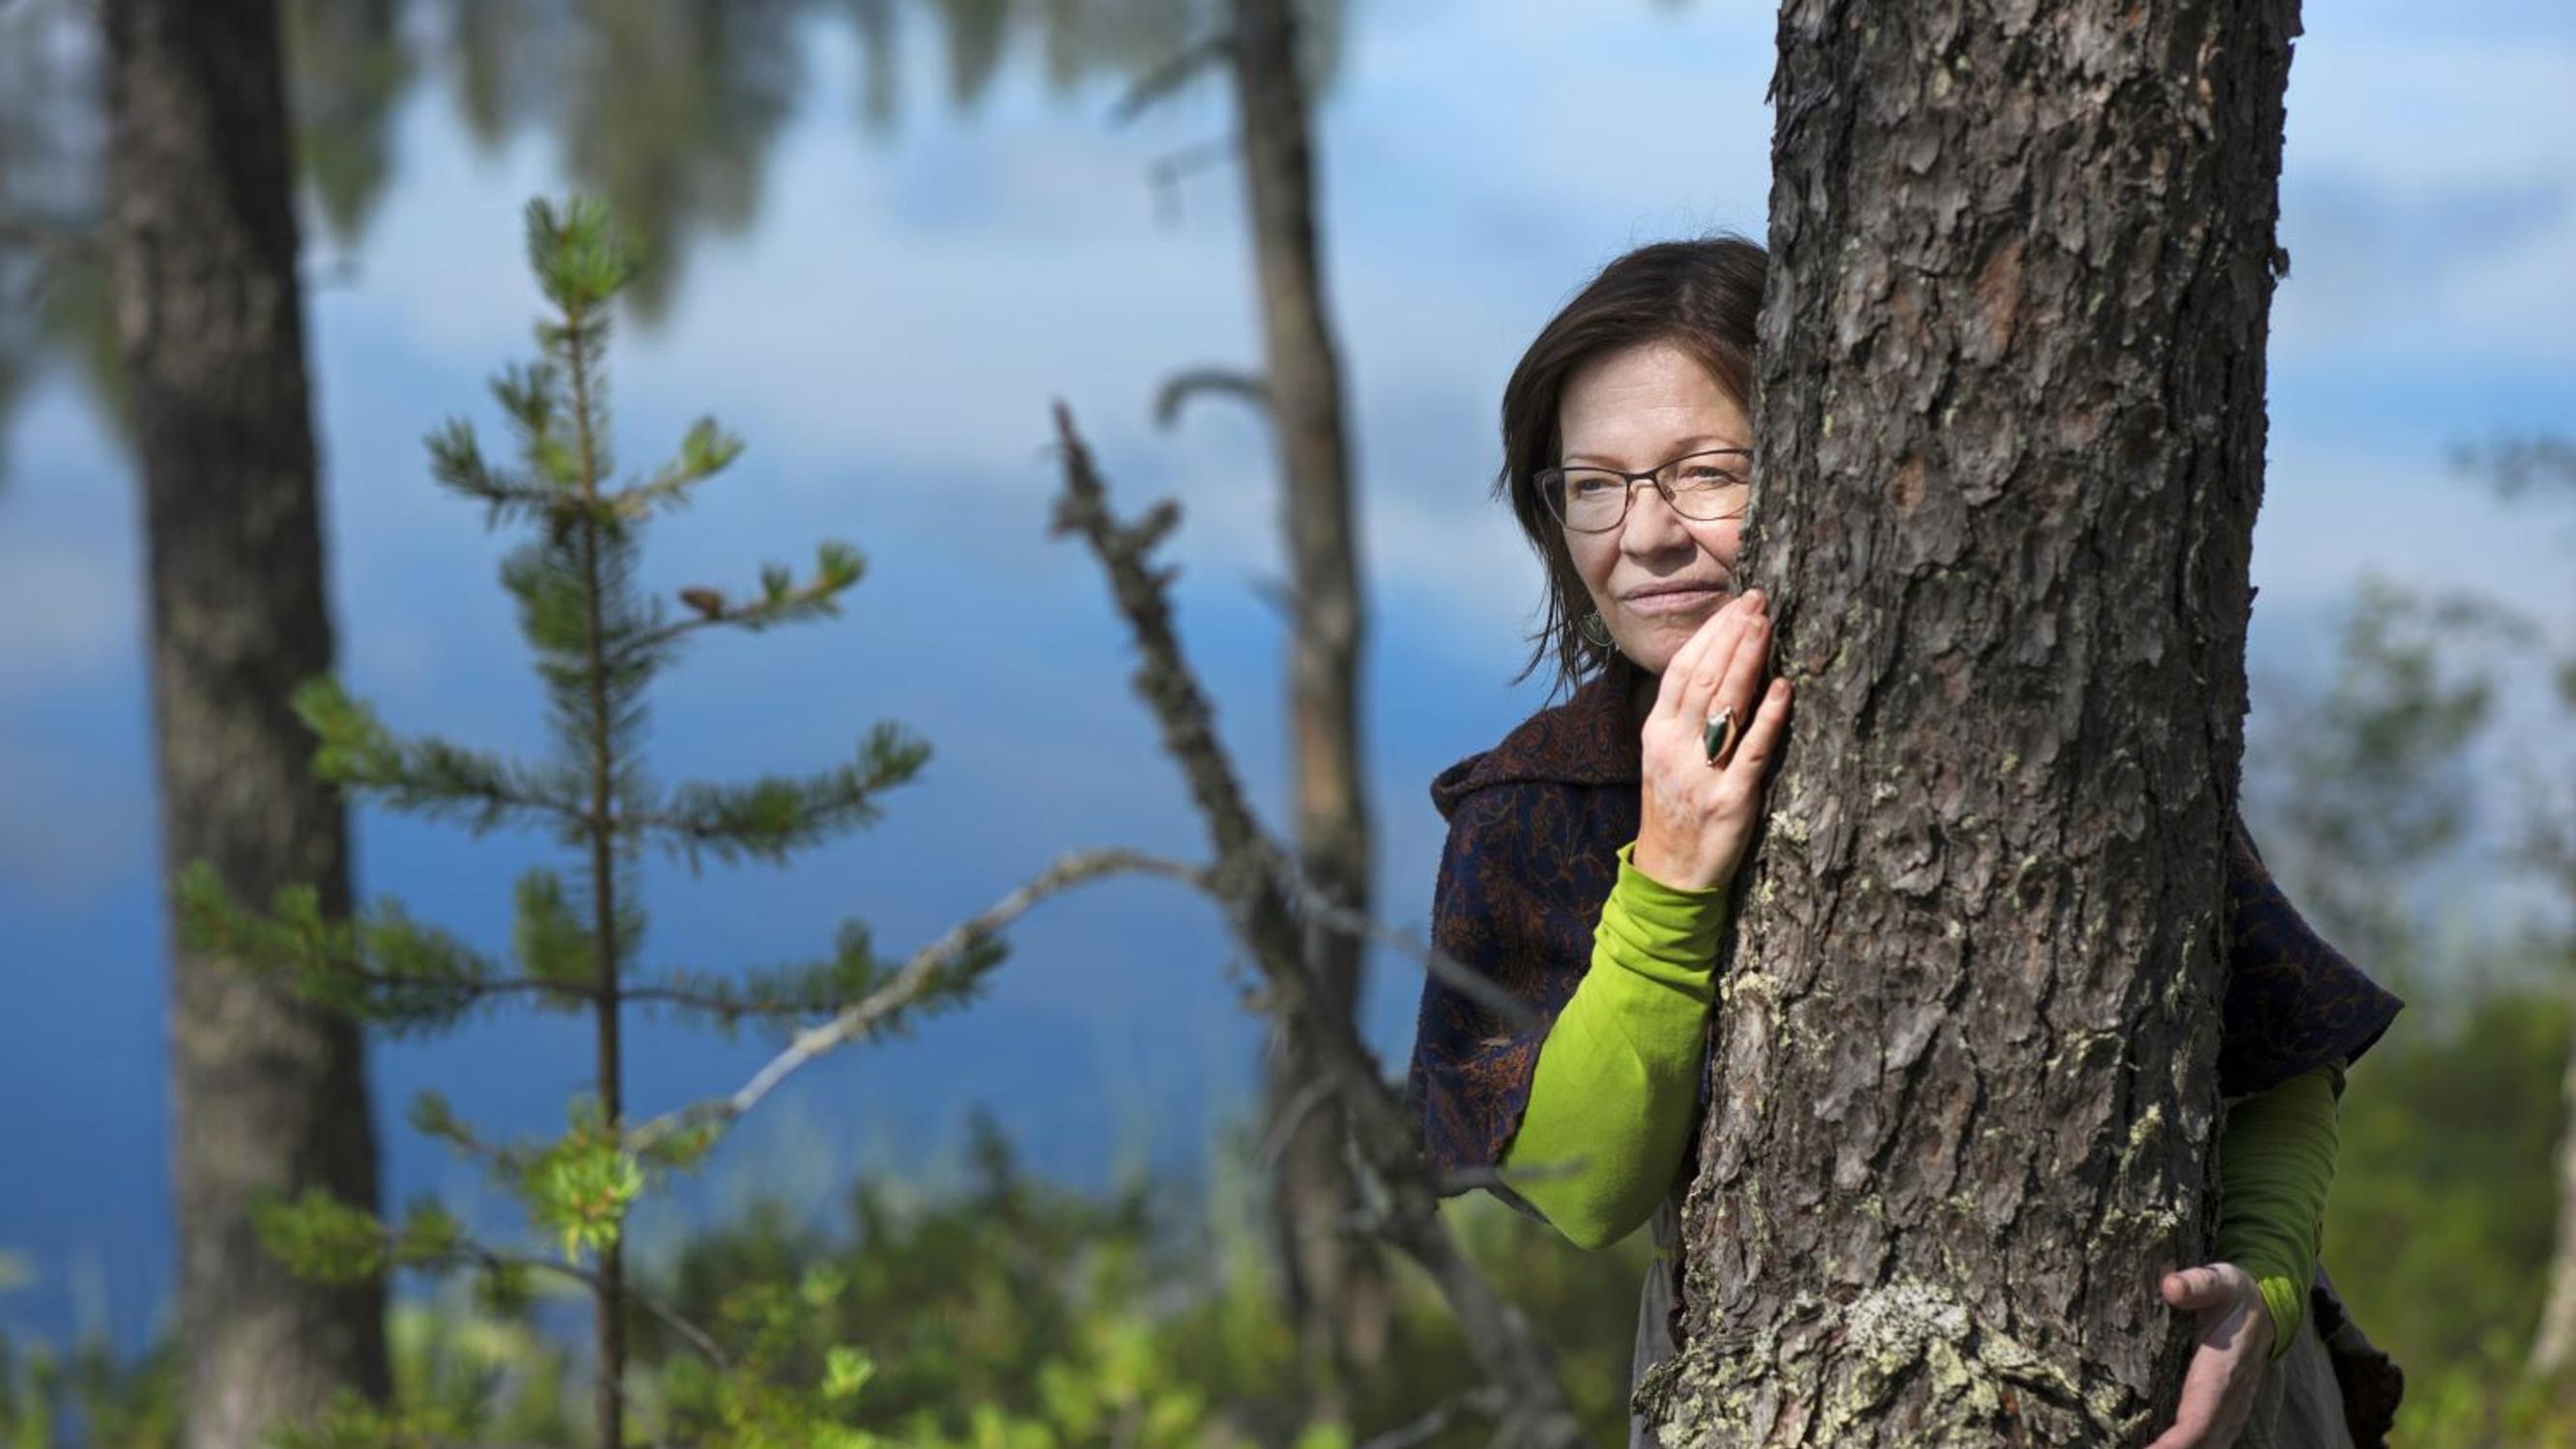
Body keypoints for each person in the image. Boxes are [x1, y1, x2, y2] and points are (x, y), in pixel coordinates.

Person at [1405, 237, 2406, 1449]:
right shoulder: (1543, 804)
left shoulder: (2029, 703)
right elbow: (1580, 1193)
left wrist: (2266, 1285)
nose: (1645, 535)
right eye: (1592, 486)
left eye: (1706, 473)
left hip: (2190, 1374)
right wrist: (1667, 873)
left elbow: (2277, 1046)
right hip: (1759, 1391)